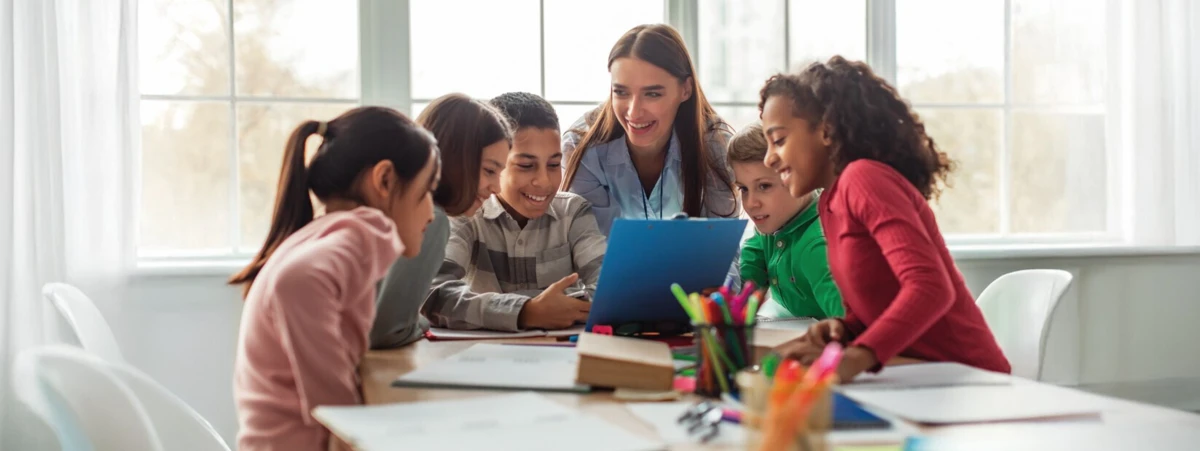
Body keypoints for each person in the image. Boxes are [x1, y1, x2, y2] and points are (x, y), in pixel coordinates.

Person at [761, 56, 1010, 381]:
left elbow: (931, 287)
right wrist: (844, 330)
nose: (769, 158)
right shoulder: (830, 204)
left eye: (779, 140)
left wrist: (858, 356)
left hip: (971, 380)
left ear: (826, 129)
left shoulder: (864, 179)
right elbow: (875, 309)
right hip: (919, 376)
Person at [230, 106, 439, 450]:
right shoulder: (354, 236)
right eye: (427, 190)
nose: (431, 212)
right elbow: (296, 281)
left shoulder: (329, 233)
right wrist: (347, 423)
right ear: (385, 180)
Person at [428, 92, 606, 331]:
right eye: (526, 165)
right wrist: (526, 312)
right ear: (496, 162)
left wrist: (539, 308)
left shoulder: (573, 212)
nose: (544, 181)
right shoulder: (466, 214)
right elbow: (434, 294)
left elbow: (608, 290)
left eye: (554, 165)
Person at [561, 23, 738, 233]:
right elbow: (594, 244)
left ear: (685, 89)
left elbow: (720, 244)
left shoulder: (715, 146)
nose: (634, 112)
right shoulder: (582, 146)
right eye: (621, 92)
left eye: (652, 94)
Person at [369, 93, 514, 348]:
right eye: (489, 170)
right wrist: (422, 323)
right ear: (455, 159)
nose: (497, 188)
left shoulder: (389, 207)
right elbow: (388, 331)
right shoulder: (430, 220)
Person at [729, 122, 843, 319]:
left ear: (802, 175)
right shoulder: (772, 227)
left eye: (764, 186)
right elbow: (749, 278)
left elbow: (849, 323)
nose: (751, 203)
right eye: (743, 189)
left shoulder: (816, 246)